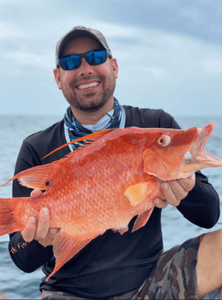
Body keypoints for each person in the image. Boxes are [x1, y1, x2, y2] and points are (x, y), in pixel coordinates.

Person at [9, 25, 222, 299]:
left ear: (114, 66)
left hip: (152, 282)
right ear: (58, 77)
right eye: (71, 62)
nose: (85, 68)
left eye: (96, 57)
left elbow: (210, 216)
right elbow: (21, 259)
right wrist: (40, 239)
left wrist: (189, 189)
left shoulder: (156, 126)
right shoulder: (36, 148)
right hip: (68, 292)